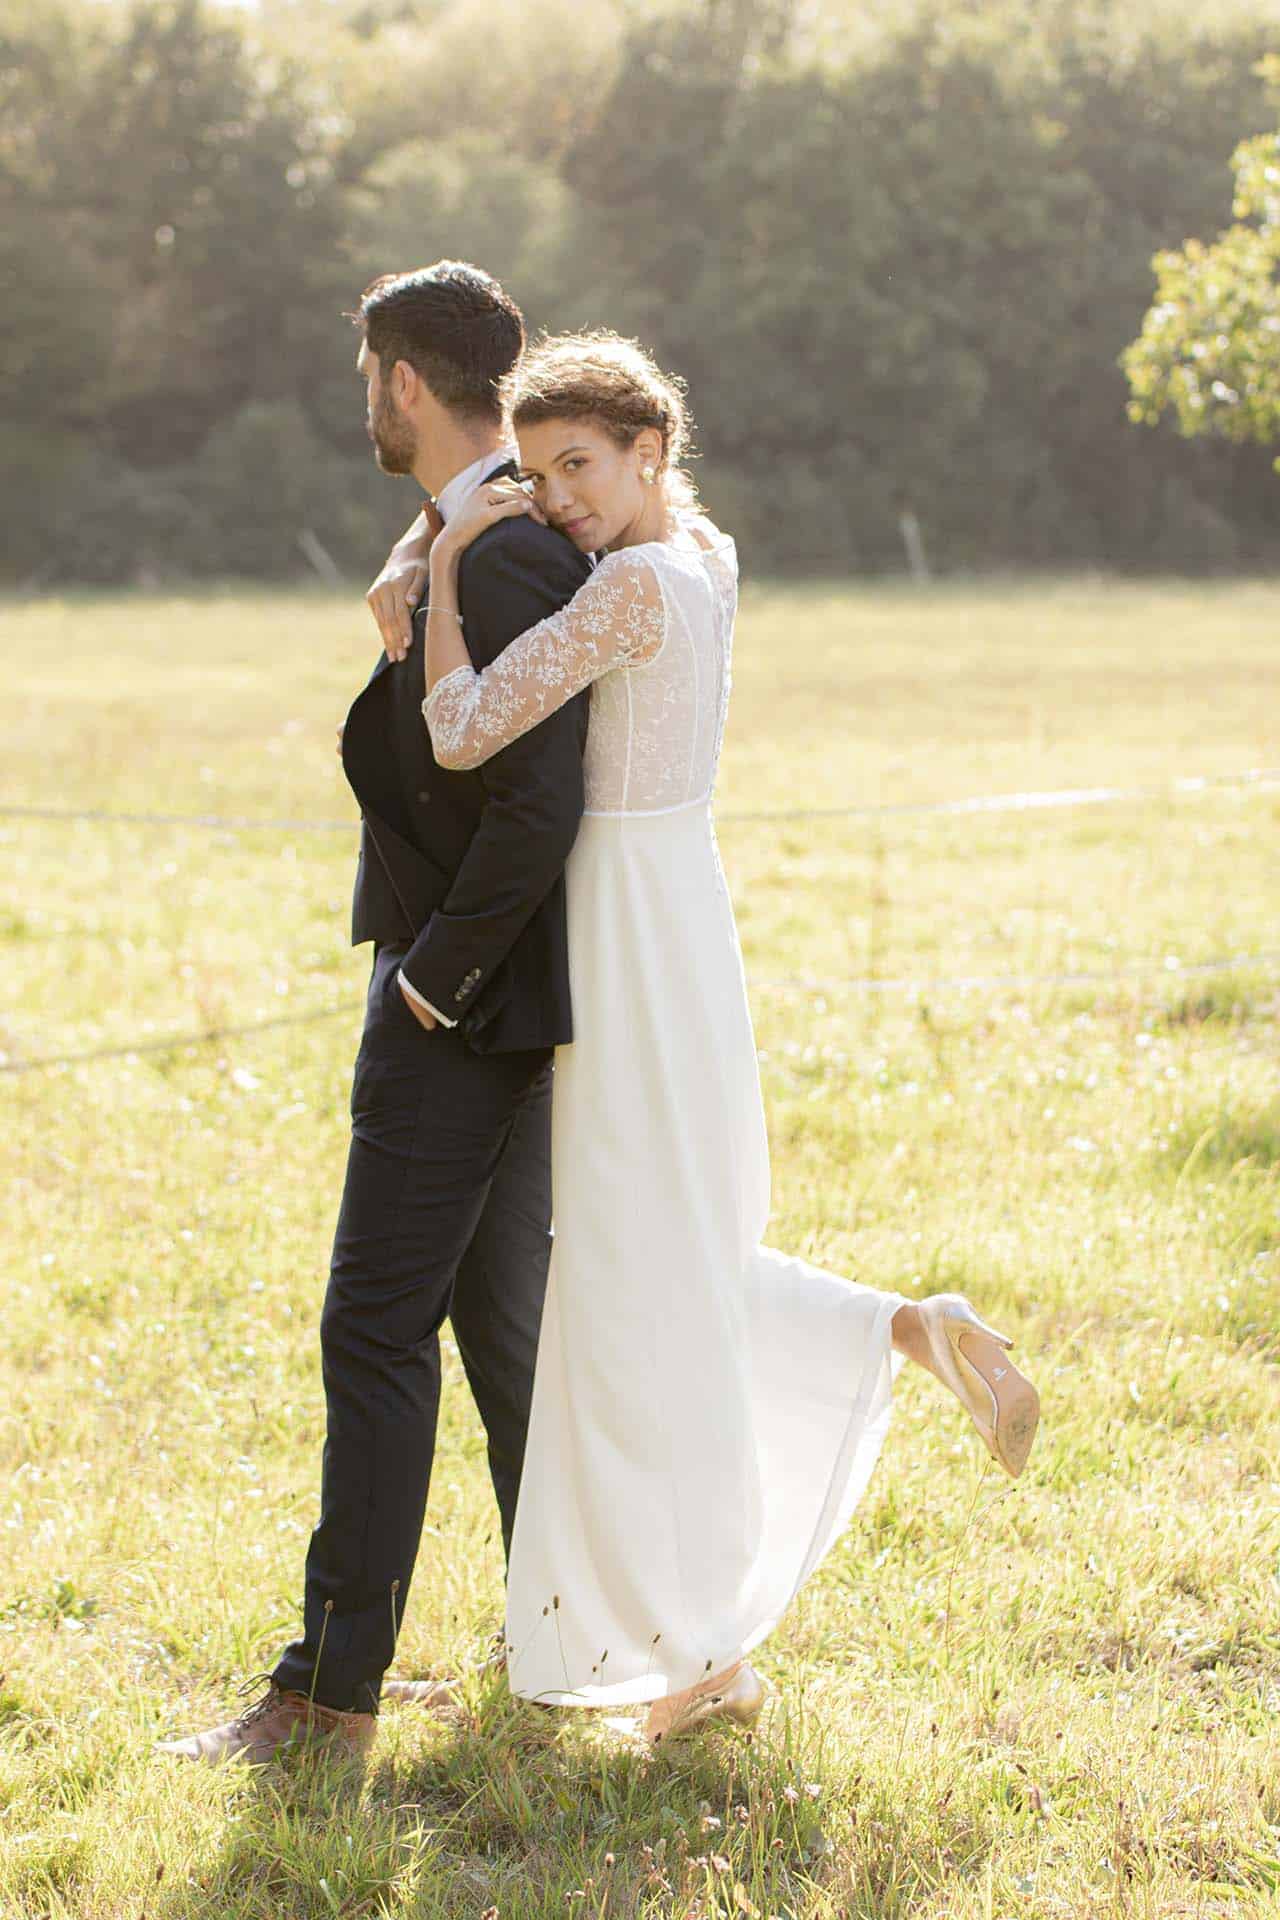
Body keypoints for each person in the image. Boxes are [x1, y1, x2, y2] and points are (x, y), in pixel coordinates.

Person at [380, 328, 1042, 1746]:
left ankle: (695, 1650)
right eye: (539, 474)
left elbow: (463, 728)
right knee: (673, 1249)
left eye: (581, 466)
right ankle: (901, 1335)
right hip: (682, 907)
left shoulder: (631, 588)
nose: (560, 500)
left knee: (633, 1279)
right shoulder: (706, 557)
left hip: (627, 931)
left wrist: (446, 566)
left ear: (651, 450)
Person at [157, 263, 600, 1769]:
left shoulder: (510, 554)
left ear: (404, 380)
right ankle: (578, 1644)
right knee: (504, 1341)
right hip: (481, 1003)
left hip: (459, 1010)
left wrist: (430, 983)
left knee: (372, 1329)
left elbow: (538, 806)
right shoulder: (469, 534)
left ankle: (328, 1697)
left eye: (369, 379)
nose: (366, 402)